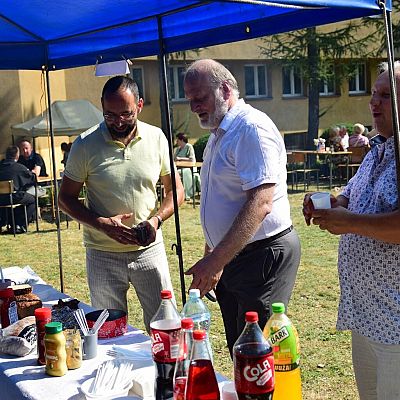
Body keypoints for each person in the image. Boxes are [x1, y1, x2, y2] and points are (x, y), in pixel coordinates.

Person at [183, 59, 301, 354]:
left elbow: (260, 203)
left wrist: (215, 261)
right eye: (190, 100)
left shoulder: (250, 128)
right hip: (236, 255)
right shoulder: (220, 131)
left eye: (200, 98)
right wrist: (213, 254)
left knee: (255, 351)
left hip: (262, 255)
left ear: (224, 90)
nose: (194, 106)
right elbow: (224, 198)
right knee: (240, 347)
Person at [303, 62, 400, 400]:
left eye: (386, 96)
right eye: (374, 94)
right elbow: (353, 194)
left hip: (396, 322)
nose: (374, 103)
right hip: (367, 313)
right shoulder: (377, 149)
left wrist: (350, 221)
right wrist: (331, 202)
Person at [58, 75, 185, 332]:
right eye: (110, 115)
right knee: (110, 334)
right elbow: (65, 198)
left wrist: (156, 220)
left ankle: (166, 374)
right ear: (102, 107)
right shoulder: (84, 144)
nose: (118, 122)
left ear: (139, 105)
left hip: (149, 250)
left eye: (126, 114)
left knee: (166, 328)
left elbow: (176, 190)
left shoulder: (157, 137)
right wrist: (101, 224)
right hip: (103, 254)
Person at [0, 146, 36, 233]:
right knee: (32, 200)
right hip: (14, 197)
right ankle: (20, 224)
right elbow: (32, 178)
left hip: (0, 198)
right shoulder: (19, 168)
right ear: (17, 155)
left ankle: (8, 222)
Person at [174, 132, 200, 200]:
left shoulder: (189, 147)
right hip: (178, 167)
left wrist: (180, 159)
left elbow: (192, 159)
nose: (176, 141)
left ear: (182, 140)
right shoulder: (178, 149)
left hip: (187, 168)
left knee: (180, 173)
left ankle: (186, 193)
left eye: (178, 140)